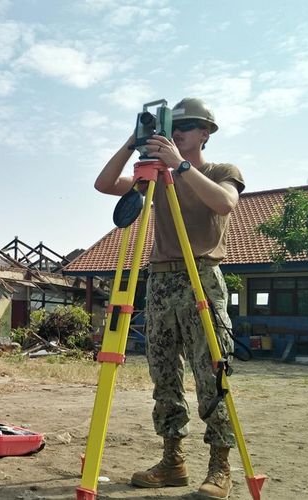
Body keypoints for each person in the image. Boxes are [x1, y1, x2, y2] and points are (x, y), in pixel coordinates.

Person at [94, 98, 244, 500]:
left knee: (211, 372)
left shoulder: (219, 171)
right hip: (159, 282)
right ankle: (172, 460)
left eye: (188, 125)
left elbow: (224, 202)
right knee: (164, 375)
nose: (178, 131)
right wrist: (133, 141)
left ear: (205, 133)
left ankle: (219, 466)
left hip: (202, 277)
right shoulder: (155, 178)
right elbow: (105, 185)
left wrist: (180, 164)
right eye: (173, 125)